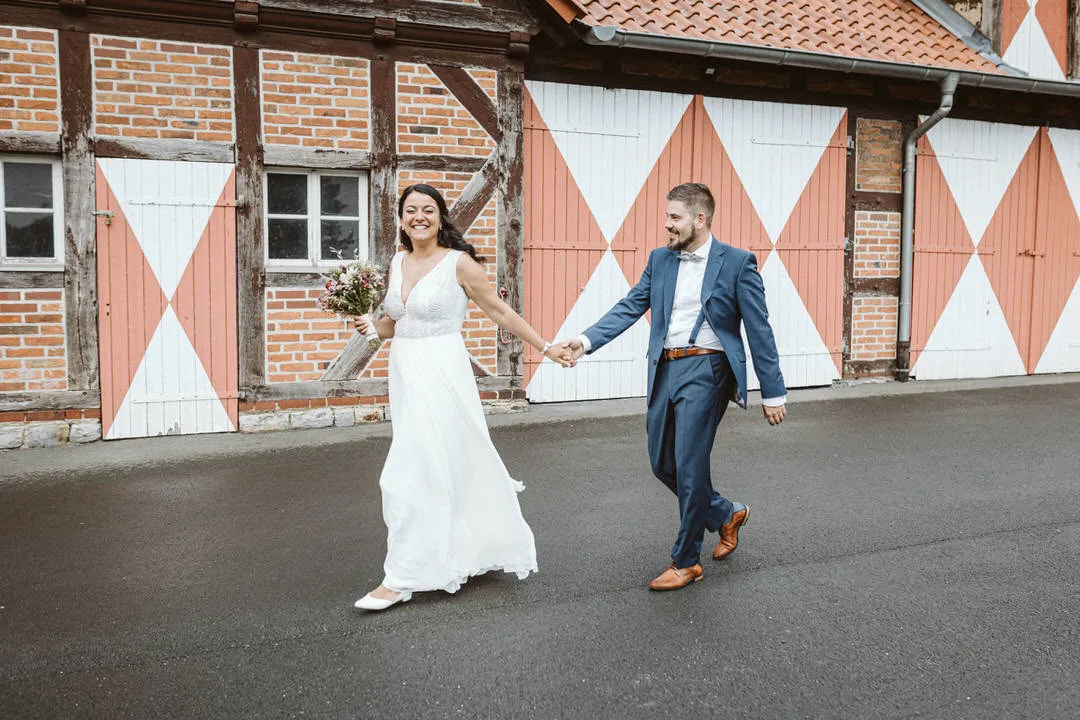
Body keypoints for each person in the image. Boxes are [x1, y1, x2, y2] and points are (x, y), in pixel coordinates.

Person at [353, 183, 571, 611]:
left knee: (410, 471)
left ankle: (402, 577)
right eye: (410, 210)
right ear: (400, 219)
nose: (419, 216)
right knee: (441, 464)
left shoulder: (460, 264)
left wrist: (546, 348)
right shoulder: (396, 262)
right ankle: (463, 550)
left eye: (428, 210)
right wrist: (371, 328)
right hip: (405, 372)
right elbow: (395, 324)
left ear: (440, 217)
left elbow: (500, 312)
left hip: (442, 371)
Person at [558, 182, 786, 591]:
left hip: (708, 368)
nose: (667, 225)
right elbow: (630, 305)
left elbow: (759, 328)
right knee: (662, 462)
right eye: (667, 217)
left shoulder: (737, 263)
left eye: (674, 217)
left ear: (700, 219)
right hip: (665, 368)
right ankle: (724, 513)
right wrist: (585, 340)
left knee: (690, 461)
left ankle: (686, 561)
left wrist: (773, 391)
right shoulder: (660, 260)